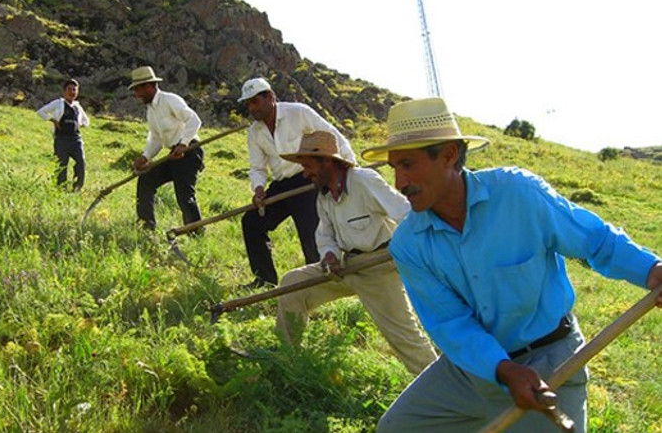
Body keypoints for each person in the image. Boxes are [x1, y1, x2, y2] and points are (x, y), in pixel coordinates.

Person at [360, 97, 662, 432]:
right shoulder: (409, 244)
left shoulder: (518, 194)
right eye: (395, 169)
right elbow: (451, 323)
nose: (400, 183)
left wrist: (652, 271)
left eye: (408, 165)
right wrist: (503, 370)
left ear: (447, 155)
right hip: (473, 368)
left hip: (551, 362)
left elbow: (596, 241)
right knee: (398, 428)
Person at [275, 131, 437, 374]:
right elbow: (325, 234)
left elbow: (405, 213)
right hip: (345, 265)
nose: (305, 173)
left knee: (404, 337)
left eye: (308, 166)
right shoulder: (324, 196)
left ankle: (443, 386)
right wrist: (329, 255)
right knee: (293, 284)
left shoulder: (364, 181)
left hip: (379, 267)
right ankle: (286, 361)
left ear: (327, 161)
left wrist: (410, 248)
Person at [238, 77, 358, 288]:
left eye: (255, 101)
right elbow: (257, 167)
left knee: (311, 232)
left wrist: (350, 167)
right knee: (252, 222)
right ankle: (264, 279)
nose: (251, 107)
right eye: (248, 103)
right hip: (281, 185)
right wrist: (258, 190)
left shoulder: (299, 113)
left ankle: (320, 282)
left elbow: (333, 136)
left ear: (270, 97)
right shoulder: (254, 132)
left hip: (307, 181)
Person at [129, 66, 203, 230]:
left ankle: (196, 232)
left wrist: (183, 144)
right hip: (173, 154)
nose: (137, 94)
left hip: (189, 151)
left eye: (138, 89)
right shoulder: (151, 111)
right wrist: (145, 157)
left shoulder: (170, 100)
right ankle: (146, 226)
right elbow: (156, 139)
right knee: (146, 179)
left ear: (149, 86)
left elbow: (194, 120)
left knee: (184, 196)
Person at [36, 79, 89, 191]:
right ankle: (61, 189)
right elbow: (41, 112)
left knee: (81, 162)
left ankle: (77, 187)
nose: (72, 92)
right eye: (69, 89)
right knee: (61, 165)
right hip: (61, 139)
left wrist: (79, 124)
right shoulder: (58, 103)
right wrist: (53, 120)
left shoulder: (78, 106)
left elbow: (86, 121)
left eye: (74, 89)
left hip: (76, 139)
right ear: (64, 91)